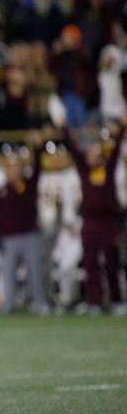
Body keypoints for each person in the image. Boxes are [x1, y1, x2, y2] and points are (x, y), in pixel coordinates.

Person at [0, 134, 49, 313]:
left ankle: (40, 303)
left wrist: (37, 148)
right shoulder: (0, 191)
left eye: (15, 168)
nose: (13, 171)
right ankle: (9, 305)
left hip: (30, 235)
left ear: (20, 169)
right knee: (7, 274)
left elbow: (38, 169)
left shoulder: (29, 184)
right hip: (8, 238)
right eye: (9, 168)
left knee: (34, 271)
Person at [64, 121, 126, 313]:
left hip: (108, 222)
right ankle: (94, 302)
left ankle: (116, 300)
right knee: (90, 263)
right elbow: (73, 150)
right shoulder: (84, 172)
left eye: (95, 153)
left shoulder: (107, 170)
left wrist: (122, 128)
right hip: (89, 222)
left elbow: (115, 151)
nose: (91, 156)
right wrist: (64, 127)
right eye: (89, 153)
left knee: (111, 263)